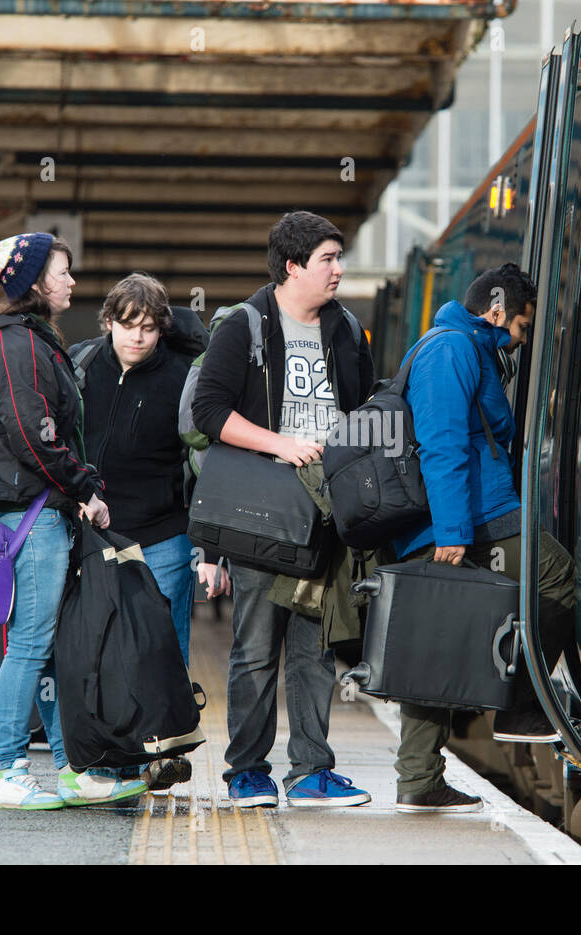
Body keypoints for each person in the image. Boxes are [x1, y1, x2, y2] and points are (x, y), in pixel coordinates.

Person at [0, 232, 146, 809]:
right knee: (32, 643)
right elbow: (32, 432)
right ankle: (4, 768)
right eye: (62, 271)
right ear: (33, 281)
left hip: (34, 509)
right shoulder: (17, 344)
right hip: (31, 513)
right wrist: (85, 485)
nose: (71, 281)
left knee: (47, 644)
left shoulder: (24, 339)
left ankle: (70, 768)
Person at [192, 210, 375, 808]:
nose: (338, 270)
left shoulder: (347, 328)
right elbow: (209, 413)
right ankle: (247, 772)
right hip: (262, 510)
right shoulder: (244, 326)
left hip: (326, 513)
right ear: (292, 266)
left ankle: (311, 770)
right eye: (327, 259)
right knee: (252, 649)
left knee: (316, 647)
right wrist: (281, 444)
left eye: (338, 259)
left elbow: (363, 409)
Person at [391, 264, 577, 813]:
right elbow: (443, 442)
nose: (521, 338)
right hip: (470, 518)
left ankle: (419, 779)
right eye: (521, 326)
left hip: (473, 513)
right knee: (558, 574)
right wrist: (451, 531)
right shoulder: (451, 351)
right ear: (496, 313)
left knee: (439, 640)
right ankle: (519, 704)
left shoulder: (468, 346)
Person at [71, 272, 196, 791]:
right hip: (95, 534)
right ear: (108, 324)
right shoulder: (80, 365)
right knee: (99, 645)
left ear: (161, 329)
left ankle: (162, 749)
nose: (137, 338)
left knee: (161, 644)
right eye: (127, 326)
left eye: (148, 328)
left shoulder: (184, 375)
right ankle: (109, 756)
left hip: (164, 531)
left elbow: (201, 454)